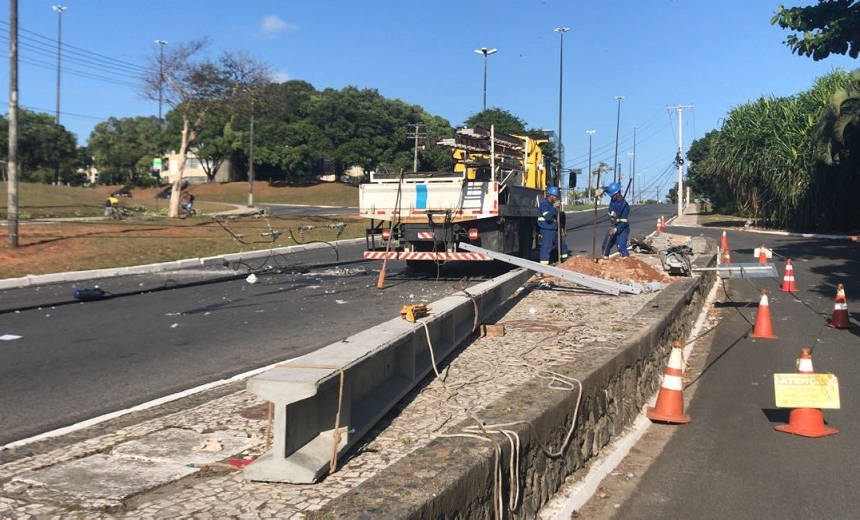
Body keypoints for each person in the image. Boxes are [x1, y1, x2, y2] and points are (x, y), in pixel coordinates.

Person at [537, 186, 569, 265]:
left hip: (554, 230)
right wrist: (554, 208)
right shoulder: (545, 205)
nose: (556, 199)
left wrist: (561, 228)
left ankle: (565, 263)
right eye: (555, 197)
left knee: (562, 246)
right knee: (546, 248)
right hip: (547, 230)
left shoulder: (551, 206)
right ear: (551, 196)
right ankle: (544, 267)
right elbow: (548, 217)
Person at [601, 181, 631, 258]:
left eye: (613, 195)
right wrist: (602, 190)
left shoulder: (624, 205)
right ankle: (605, 259)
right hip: (613, 226)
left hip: (622, 228)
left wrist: (616, 229)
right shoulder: (613, 200)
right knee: (606, 245)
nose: (611, 197)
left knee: (621, 246)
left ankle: (626, 259)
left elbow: (624, 222)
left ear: (618, 194)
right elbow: (608, 189)